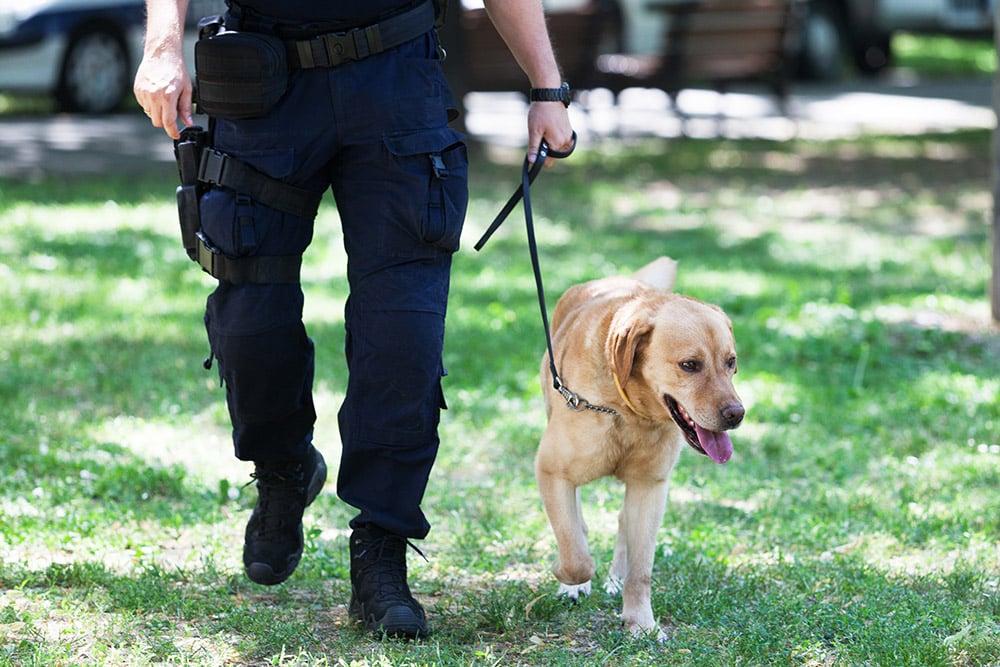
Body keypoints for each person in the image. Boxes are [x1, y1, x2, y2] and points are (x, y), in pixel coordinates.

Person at [134, 0, 574, 640]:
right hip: (262, 77)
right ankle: (283, 468)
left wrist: (546, 87)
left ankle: (381, 551)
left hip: (395, 76)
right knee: (248, 322)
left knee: (403, 335)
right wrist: (162, 44)